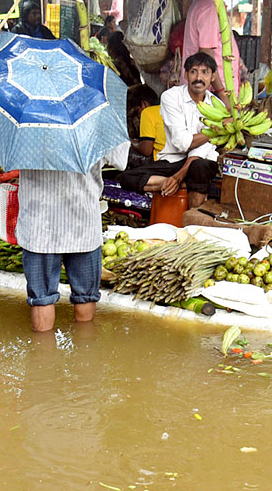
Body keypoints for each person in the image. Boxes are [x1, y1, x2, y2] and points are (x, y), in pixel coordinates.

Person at [16, 141, 129, 333]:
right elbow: (120, 160)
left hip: (39, 225)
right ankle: (84, 356)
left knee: (41, 298)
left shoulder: (26, 118)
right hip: (82, 221)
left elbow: (6, 158)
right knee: (86, 295)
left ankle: (43, 359)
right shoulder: (96, 118)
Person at [117, 52, 220, 208]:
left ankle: (190, 222)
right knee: (126, 177)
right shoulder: (171, 97)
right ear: (186, 75)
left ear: (213, 77)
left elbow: (201, 150)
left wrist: (178, 176)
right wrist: (174, 179)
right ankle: (180, 183)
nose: (199, 77)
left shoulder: (216, 106)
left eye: (205, 72)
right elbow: (182, 143)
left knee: (200, 168)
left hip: (199, 161)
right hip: (173, 160)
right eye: (194, 72)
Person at [180, 0, 242, 98]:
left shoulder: (204, 3)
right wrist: (222, 93)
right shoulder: (210, 8)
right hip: (210, 90)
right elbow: (206, 55)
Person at [129, 85, 164, 160]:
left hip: (161, 159)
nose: (138, 116)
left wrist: (129, 141)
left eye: (137, 111)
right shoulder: (165, 109)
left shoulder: (147, 112)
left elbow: (146, 150)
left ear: (144, 104)